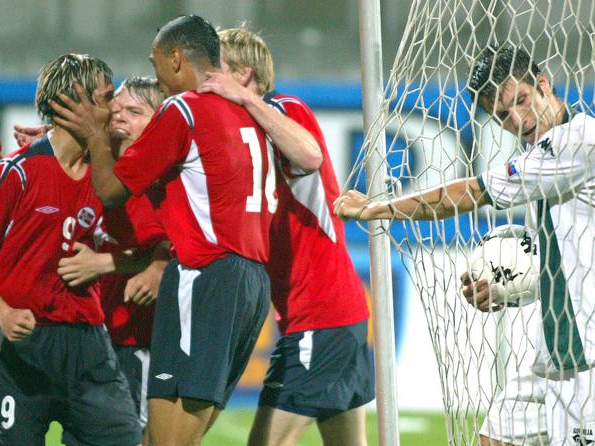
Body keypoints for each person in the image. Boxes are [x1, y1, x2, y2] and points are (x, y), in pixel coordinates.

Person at [335, 45, 595, 446]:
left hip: (586, 363)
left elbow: (473, 191)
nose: (516, 120)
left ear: (543, 85)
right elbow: (572, 260)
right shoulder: (542, 157)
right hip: (557, 354)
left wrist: (380, 207)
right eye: (502, 115)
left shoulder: (579, 139)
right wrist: (510, 286)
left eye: (521, 102)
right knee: (493, 437)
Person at [49, 15, 274, 446]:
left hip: (204, 276)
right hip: (250, 284)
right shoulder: (248, 112)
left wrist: (95, 134)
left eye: (155, 65)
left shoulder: (183, 108)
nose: (156, 78)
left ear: (175, 58)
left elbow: (112, 189)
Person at [196, 27, 374, 446]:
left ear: (242, 74)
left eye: (214, 70)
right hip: (330, 316)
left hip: (320, 316)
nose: (205, 81)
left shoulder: (283, 109)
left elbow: (310, 155)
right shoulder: (242, 137)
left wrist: (247, 99)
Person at [0, 53, 142, 446]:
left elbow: (152, 250)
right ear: (74, 101)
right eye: (106, 97)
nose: (114, 108)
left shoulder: (111, 174)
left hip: (89, 343)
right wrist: (3, 313)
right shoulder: (17, 172)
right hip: (28, 344)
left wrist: (107, 262)